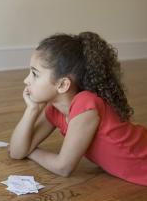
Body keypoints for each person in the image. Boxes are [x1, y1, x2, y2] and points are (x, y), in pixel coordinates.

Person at [9, 31, 147, 186]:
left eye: (35, 74)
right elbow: (16, 152)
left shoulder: (85, 105)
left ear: (62, 85)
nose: (26, 80)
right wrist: (32, 110)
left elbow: (63, 167)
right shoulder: (54, 109)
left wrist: (31, 151)